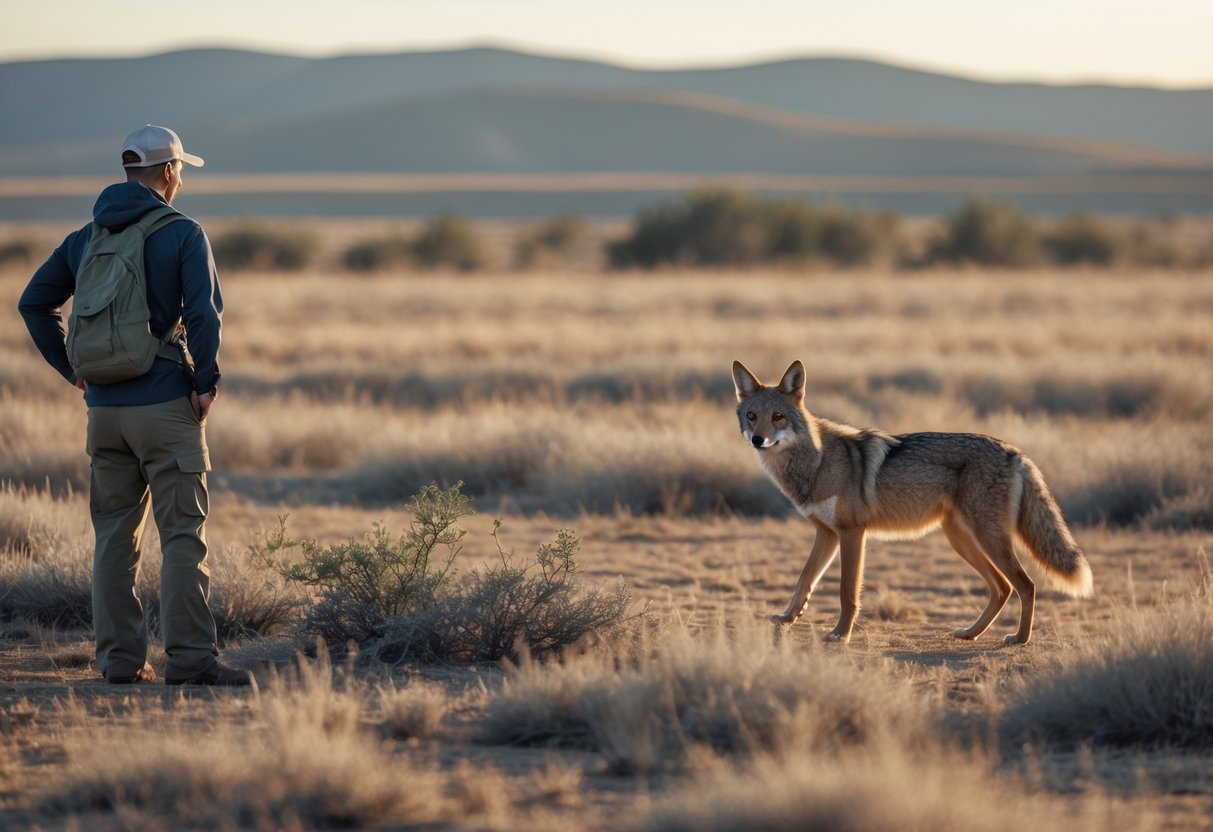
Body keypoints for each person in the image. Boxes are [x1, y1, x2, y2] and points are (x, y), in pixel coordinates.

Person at [18, 125, 249, 686]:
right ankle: (191, 662)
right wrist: (206, 382)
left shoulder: (86, 236)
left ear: (129, 171)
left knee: (113, 540)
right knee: (181, 538)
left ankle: (119, 664)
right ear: (169, 171)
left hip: (104, 413)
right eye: (180, 170)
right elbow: (204, 316)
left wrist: (75, 372)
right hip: (164, 406)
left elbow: (33, 303)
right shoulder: (183, 232)